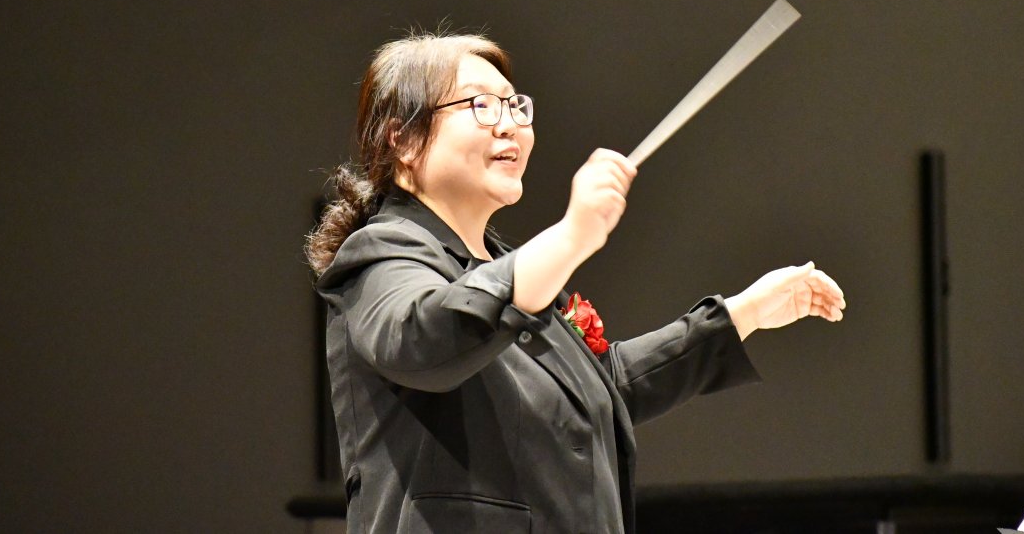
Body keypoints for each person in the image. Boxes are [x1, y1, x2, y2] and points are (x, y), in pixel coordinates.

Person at [307, 31, 846, 534]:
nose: (509, 124)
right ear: (404, 139)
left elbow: (600, 388)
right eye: (481, 105)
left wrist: (745, 312)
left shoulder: (511, 264)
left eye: (515, 106)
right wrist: (569, 238)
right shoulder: (381, 251)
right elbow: (423, 337)